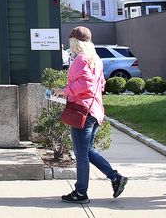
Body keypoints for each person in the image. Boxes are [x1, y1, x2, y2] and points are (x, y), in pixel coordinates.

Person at [52, 26, 127, 204]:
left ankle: (81, 193)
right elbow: (100, 85)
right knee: (87, 150)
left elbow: (84, 86)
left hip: (82, 112)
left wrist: (64, 92)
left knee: (81, 154)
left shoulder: (80, 59)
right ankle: (115, 178)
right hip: (94, 111)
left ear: (75, 42)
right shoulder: (96, 59)